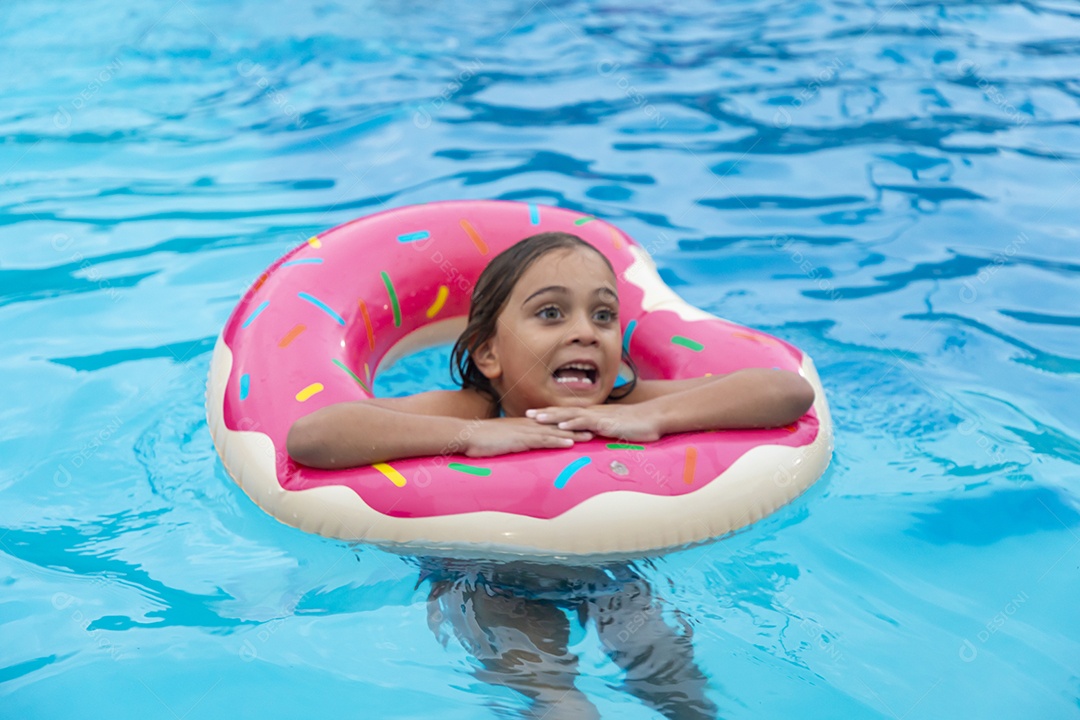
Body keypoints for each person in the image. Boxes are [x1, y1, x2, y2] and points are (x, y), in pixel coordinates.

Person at [286, 231, 814, 468]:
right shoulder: (474, 410)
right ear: (489, 355)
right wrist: (472, 436)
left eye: (603, 315)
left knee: (661, 650)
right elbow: (314, 437)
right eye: (551, 313)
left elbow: (785, 391)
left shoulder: (625, 404)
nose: (587, 332)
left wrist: (654, 417)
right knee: (530, 655)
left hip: (614, 550)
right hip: (486, 563)